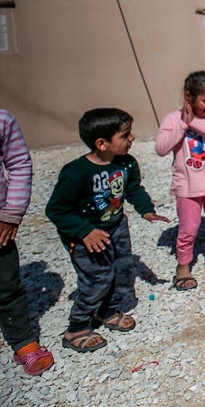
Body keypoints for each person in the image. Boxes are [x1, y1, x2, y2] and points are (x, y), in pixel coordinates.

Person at [45, 109, 170, 352]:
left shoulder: (126, 163)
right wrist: (84, 232)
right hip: (87, 238)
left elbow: (133, 189)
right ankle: (77, 328)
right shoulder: (75, 172)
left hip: (116, 227)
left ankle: (108, 311)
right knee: (97, 278)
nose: (131, 138)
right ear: (101, 143)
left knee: (121, 269)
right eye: (124, 135)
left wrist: (146, 209)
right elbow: (57, 210)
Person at [155, 71, 205, 291]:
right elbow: (161, 148)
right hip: (188, 186)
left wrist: (194, 123)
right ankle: (183, 268)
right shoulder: (173, 119)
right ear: (188, 96)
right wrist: (183, 124)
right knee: (189, 228)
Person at [0, 110, 55, 375]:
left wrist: (11, 214)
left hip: (0, 228)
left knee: (7, 286)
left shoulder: (3, 120)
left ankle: (22, 341)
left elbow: (19, 164)